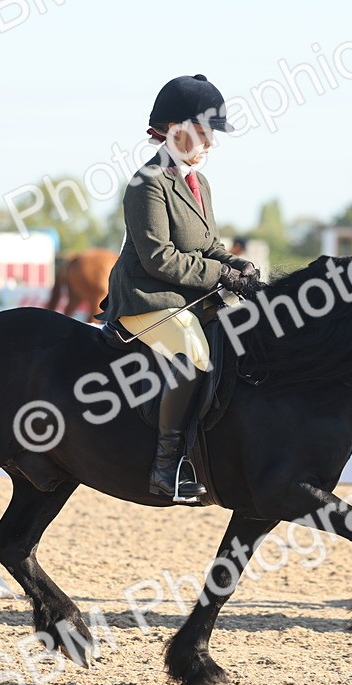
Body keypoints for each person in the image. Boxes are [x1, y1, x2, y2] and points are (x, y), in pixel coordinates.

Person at [97, 74, 261, 502]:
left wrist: (236, 264)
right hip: (146, 297)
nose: (211, 144)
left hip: (187, 297)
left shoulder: (198, 182)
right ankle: (167, 466)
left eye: (211, 136)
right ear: (175, 130)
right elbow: (159, 258)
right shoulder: (146, 183)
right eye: (204, 134)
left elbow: (206, 245)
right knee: (193, 354)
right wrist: (220, 276)